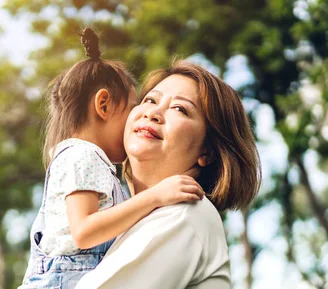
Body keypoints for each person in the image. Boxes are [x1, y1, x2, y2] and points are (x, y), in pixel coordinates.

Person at [19, 29, 206, 289]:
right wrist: (155, 196)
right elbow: (84, 231)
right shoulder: (83, 155)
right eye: (133, 107)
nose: (139, 117)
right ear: (104, 105)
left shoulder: (91, 161)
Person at [75, 60, 262, 289]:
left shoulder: (184, 213)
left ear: (208, 151)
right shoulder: (133, 222)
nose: (153, 112)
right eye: (150, 100)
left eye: (180, 109)